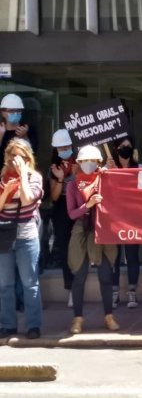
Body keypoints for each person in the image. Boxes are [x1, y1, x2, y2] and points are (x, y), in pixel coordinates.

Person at [66, 145, 119, 333]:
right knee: (79, 276)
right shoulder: (72, 184)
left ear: (99, 162)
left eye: (93, 161)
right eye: (85, 161)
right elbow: (71, 214)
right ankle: (77, 319)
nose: (89, 164)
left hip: (101, 228)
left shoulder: (105, 179)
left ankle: (109, 316)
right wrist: (87, 205)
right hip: (81, 229)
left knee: (105, 275)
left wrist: (114, 173)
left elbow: (119, 194)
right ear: (79, 163)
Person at [0, 138, 44, 339]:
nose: (15, 160)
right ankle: (8, 324)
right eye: (11, 155)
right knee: (4, 283)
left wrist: (23, 176)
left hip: (27, 236)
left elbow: (27, 199)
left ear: (28, 158)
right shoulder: (2, 179)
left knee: (29, 282)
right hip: (5, 236)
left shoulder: (34, 177)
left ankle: (33, 325)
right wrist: (7, 191)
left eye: (20, 155)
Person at [108, 137, 142, 309]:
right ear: (116, 148)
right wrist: (109, 171)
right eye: (123, 146)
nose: (126, 149)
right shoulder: (108, 168)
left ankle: (132, 293)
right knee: (114, 258)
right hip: (114, 220)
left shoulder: (140, 168)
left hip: (133, 220)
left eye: (129, 146)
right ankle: (114, 293)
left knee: (132, 256)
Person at [48, 129, 76, 308]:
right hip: (61, 210)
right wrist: (60, 179)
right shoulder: (54, 167)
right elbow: (54, 196)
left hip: (79, 206)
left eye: (66, 146)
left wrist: (77, 173)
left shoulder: (80, 162)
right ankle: (71, 288)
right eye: (60, 147)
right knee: (65, 248)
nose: (64, 149)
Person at [0, 94, 37, 169]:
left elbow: (33, 153)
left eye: (18, 110)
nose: (15, 113)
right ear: (3, 112)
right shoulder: (1, 130)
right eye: (11, 111)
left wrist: (25, 137)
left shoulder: (28, 129)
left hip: (22, 173)